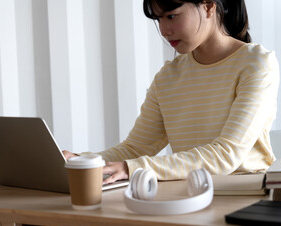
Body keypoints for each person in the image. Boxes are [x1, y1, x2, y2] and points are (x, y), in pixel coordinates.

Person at [63, 0, 280, 184]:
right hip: (189, 194)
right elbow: (136, 149)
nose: (164, 30)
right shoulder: (168, 77)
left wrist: (133, 169)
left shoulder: (257, 63)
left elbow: (226, 155)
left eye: (171, 16)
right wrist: (80, 161)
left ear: (208, 7)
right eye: (158, 19)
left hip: (245, 197)